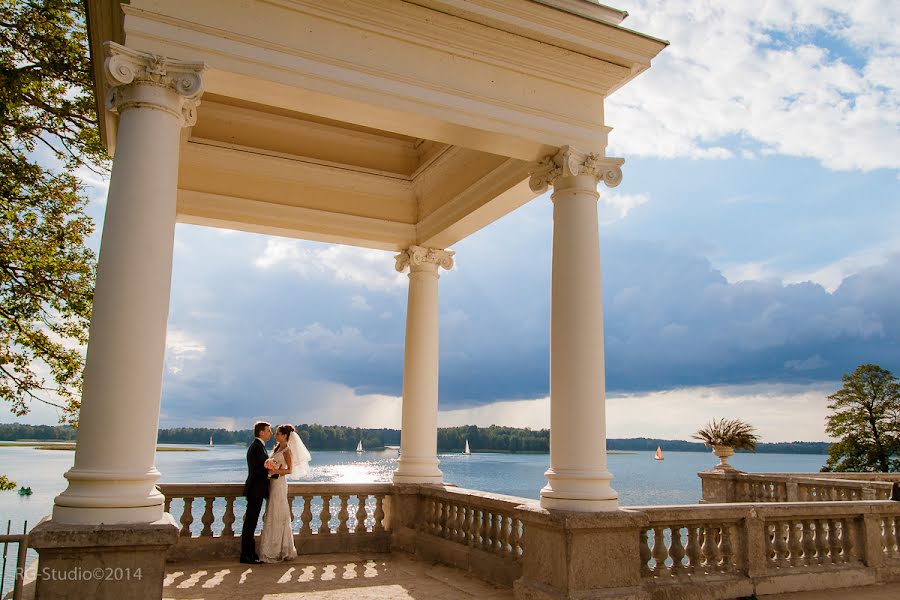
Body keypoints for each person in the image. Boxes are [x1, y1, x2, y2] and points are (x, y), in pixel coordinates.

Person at [258, 424, 312, 562]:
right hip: (273, 484)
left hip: (279, 485)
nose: (275, 434)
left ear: (284, 435)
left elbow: (290, 470)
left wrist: (275, 470)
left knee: (278, 514)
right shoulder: (278, 448)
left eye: (278, 433)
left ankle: (278, 550)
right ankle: (273, 547)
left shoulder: (287, 450)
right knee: (272, 513)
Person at [240, 421, 274, 564]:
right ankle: (247, 556)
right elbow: (259, 470)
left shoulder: (258, 447)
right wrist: (273, 470)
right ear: (261, 432)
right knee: (250, 523)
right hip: (255, 490)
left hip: (256, 490)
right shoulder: (257, 448)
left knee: (251, 523)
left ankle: (250, 554)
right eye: (268, 430)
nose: (270, 433)